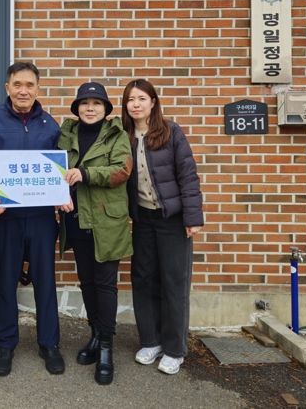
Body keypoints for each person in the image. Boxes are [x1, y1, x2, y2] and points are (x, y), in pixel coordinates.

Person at [0, 62, 65, 377]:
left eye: (29, 85)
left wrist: (61, 193)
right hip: (4, 217)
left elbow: (58, 170)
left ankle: (49, 343)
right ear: (7, 87)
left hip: (41, 217)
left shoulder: (50, 125)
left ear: (38, 88)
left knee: (45, 281)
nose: (23, 90)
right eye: (17, 84)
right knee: (4, 281)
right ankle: (5, 344)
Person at [121, 78, 203, 376]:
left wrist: (192, 217)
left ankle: (174, 349)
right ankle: (151, 341)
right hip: (143, 220)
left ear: (153, 102)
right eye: (131, 99)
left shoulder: (171, 132)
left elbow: (188, 175)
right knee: (143, 280)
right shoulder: (124, 137)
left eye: (142, 98)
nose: (136, 104)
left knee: (174, 283)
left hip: (172, 220)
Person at [58, 82, 133, 385]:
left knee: (105, 284)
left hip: (106, 222)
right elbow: (54, 171)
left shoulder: (117, 135)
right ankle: (94, 333)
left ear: (105, 108)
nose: (90, 108)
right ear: (77, 108)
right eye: (85, 103)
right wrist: (58, 194)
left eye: (97, 103)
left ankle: (105, 347)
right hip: (75, 220)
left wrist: (86, 174)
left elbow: (121, 171)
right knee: (87, 282)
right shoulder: (66, 134)